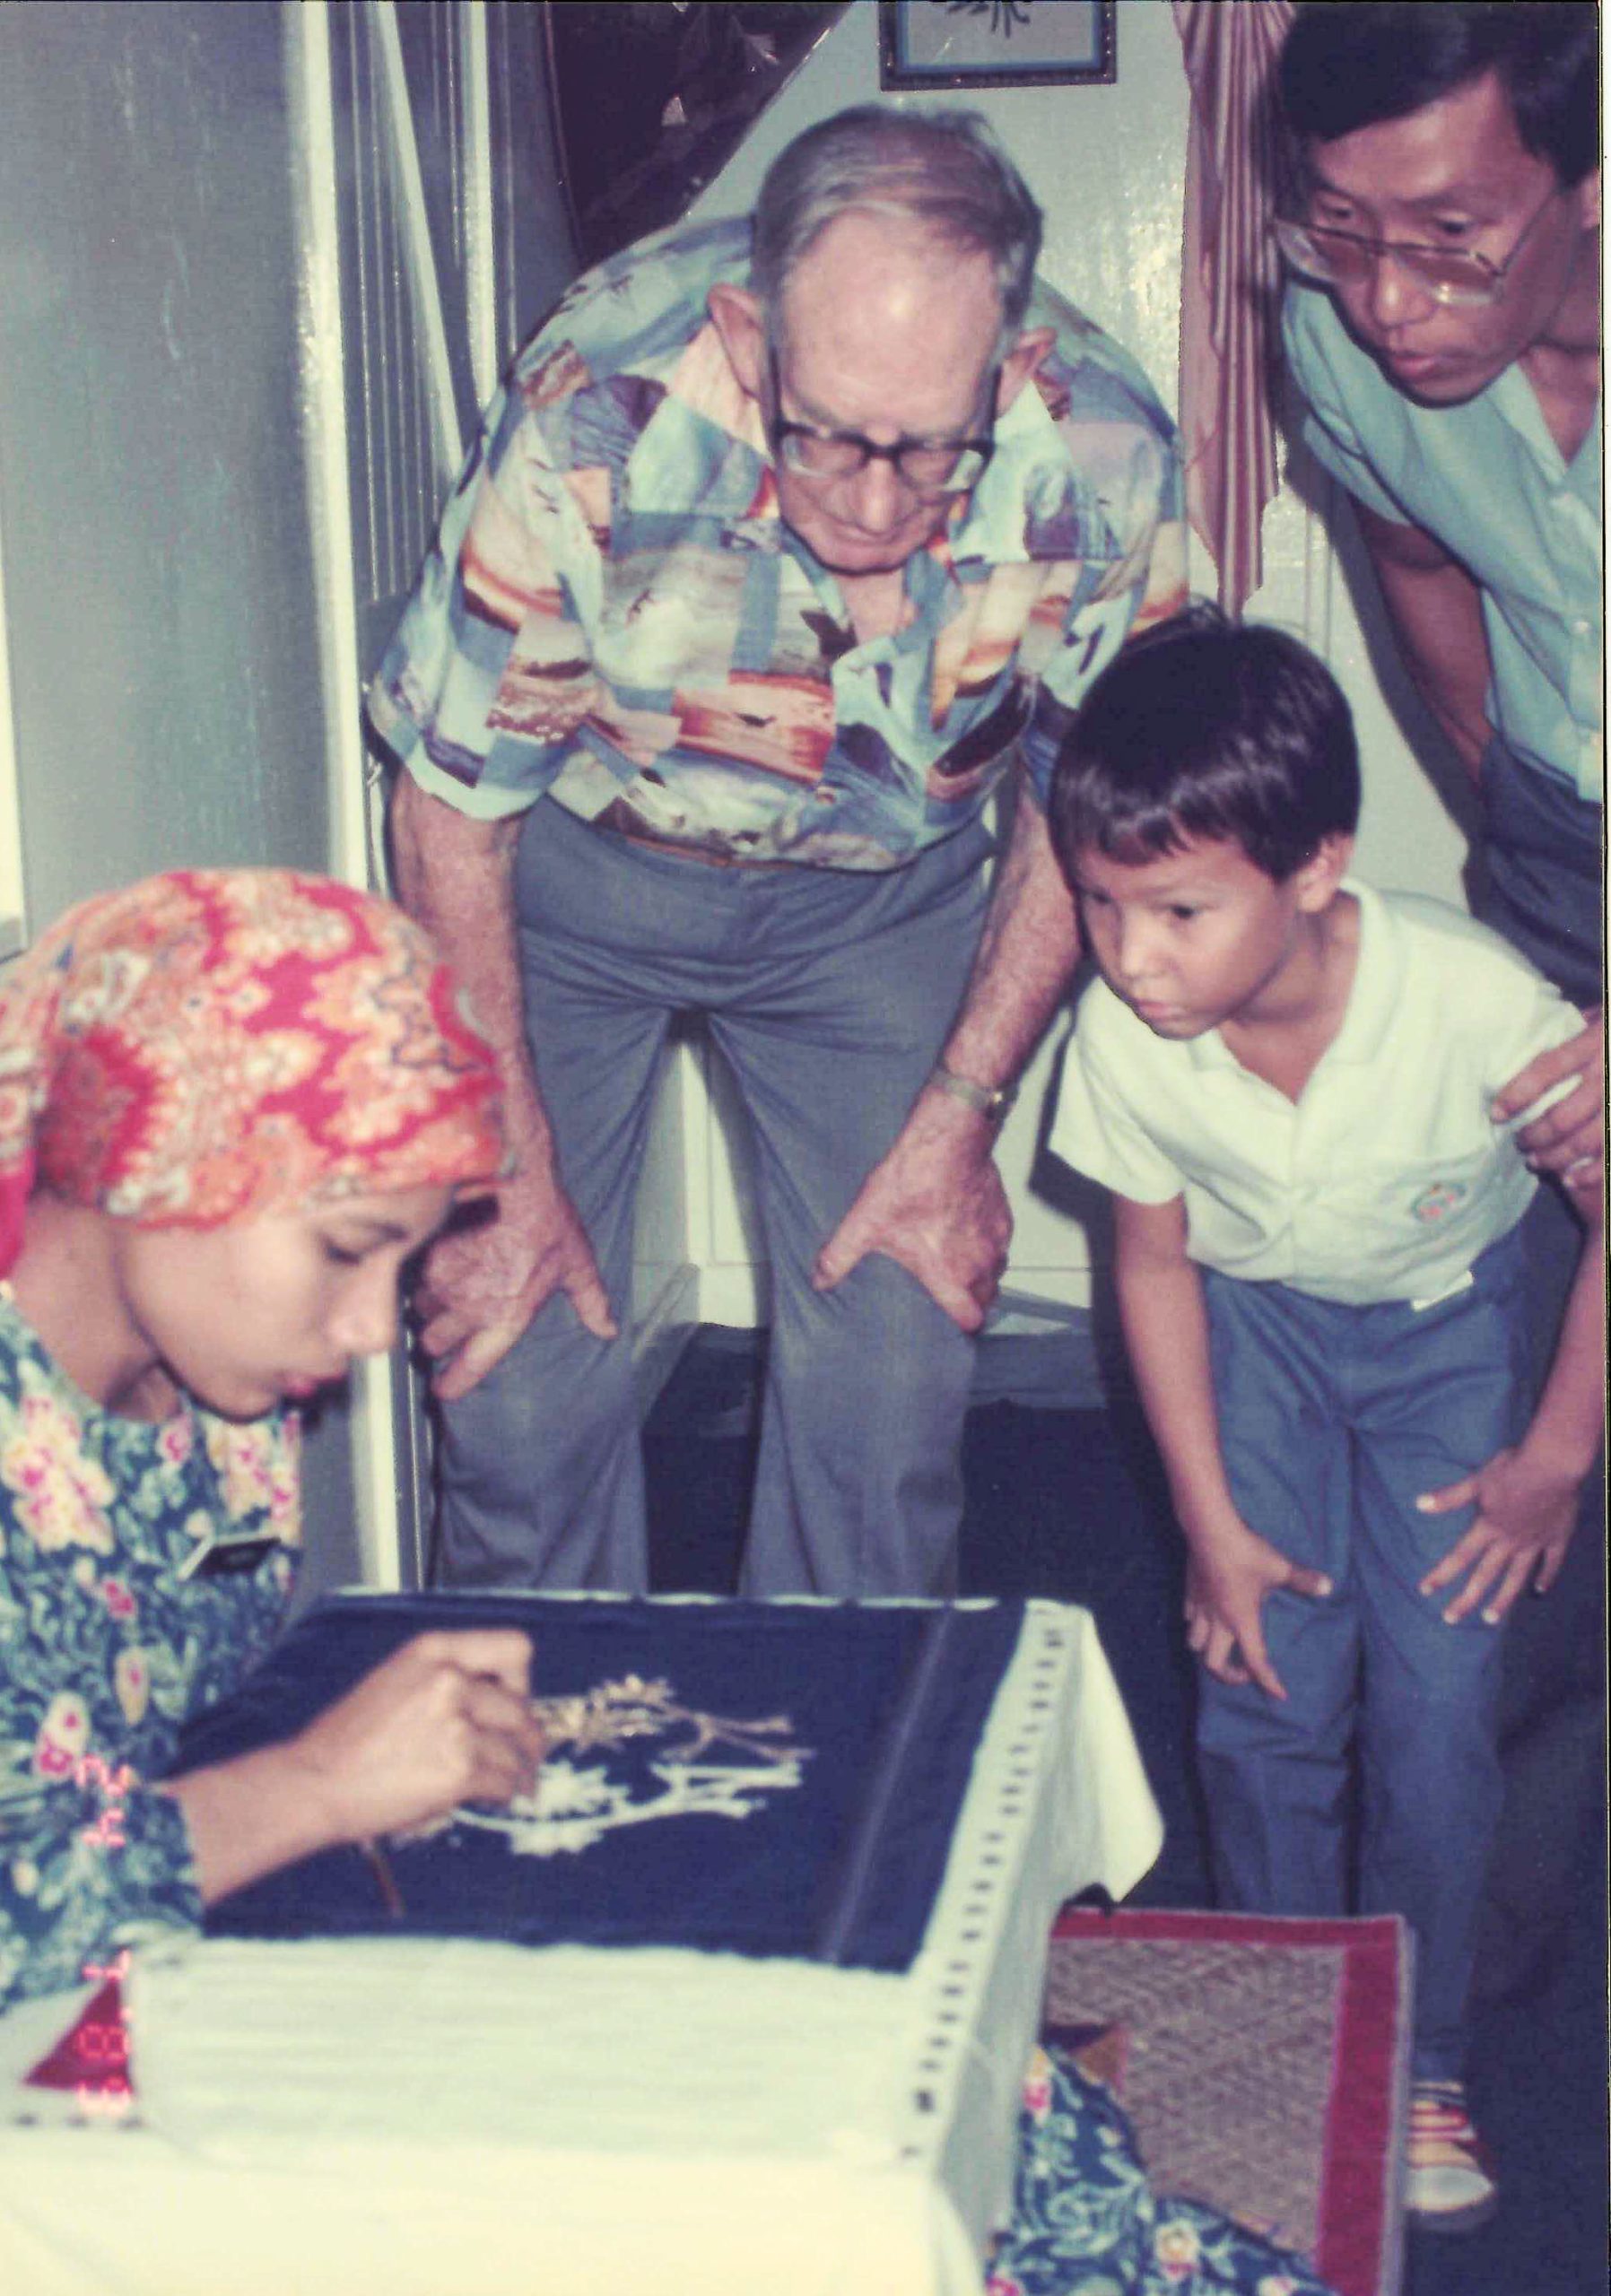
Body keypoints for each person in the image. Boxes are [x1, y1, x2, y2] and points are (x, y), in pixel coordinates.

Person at [367, 103, 1186, 1600]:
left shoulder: (1104, 452)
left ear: (1009, 372)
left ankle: (842, 1742)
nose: (874, 505)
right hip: (567, 888)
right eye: (826, 436)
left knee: (894, 1382)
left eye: (929, 449)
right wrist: (505, 1173)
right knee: (514, 1379)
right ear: (750, 343)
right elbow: (452, 809)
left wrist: (962, 1120)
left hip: (878, 911)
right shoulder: (595, 398)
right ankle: (528, 1738)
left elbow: (1084, 815)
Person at [1044, 613, 1604, 2231]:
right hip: (1256, 1341)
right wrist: (1210, 1527)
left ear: (1314, 871)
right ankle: (1288, 2012)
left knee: (1436, 1714)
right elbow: (1153, 1267)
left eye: (1178, 910)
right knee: (1265, 1687)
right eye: (1098, 904)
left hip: (1448, 1344)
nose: (1131, 957)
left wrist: (1555, 1458)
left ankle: (1420, 2056)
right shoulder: (1124, 1037)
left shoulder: (1472, 997)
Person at [1273, 0, 1603, 2007]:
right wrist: (1528, 846)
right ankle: (1481, 1992)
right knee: (1535, 1396)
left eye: (1451, 241)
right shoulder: (1338, 342)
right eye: (1342, 233)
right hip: (1565, 844)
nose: (1389, 305)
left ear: (1585, 187)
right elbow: (1418, 567)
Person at [0, 868, 544, 2013]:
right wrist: (314, 1785)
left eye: (402, 1259)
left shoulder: (215, 1390)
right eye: (345, 1246)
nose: (371, 1330)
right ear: (155, 1160)